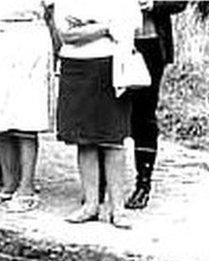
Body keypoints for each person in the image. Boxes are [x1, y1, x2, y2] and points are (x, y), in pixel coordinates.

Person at [54, 0, 140, 227]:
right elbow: (66, 34)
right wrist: (105, 27)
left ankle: (118, 208)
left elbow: (130, 25)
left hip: (111, 66)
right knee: (84, 139)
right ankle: (91, 204)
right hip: (76, 66)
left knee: (113, 139)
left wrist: (90, 26)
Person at [0, 0, 56, 212]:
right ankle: (9, 185)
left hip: (28, 36)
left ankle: (26, 188)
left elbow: (52, 11)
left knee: (27, 114)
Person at [124, 0, 187, 210]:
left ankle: (143, 182)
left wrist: (152, 3)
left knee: (143, 114)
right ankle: (102, 182)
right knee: (110, 112)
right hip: (110, 44)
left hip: (150, 43)